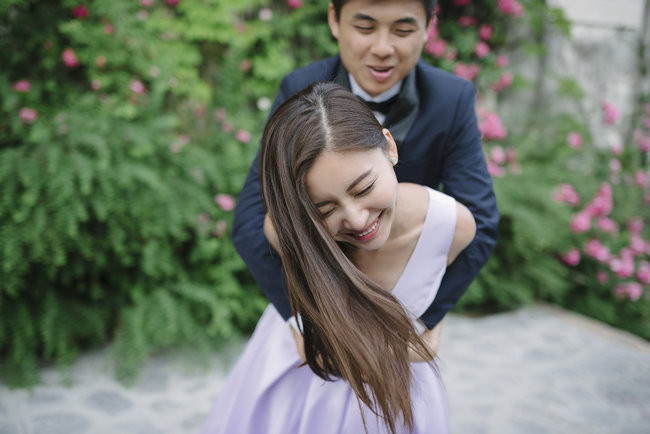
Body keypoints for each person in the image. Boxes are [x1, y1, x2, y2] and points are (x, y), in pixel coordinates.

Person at [202, 82, 476, 433]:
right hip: (299, 388)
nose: (358, 220)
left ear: (389, 146)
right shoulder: (287, 233)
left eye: (363, 188)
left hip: (396, 403)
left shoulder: (451, 228)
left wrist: (427, 338)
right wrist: (412, 348)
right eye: (324, 209)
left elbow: (432, 315)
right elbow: (313, 351)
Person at [232, 0, 499, 342]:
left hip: (403, 304)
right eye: (365, 28)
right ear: (334, 19)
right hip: (317, 302)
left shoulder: (452, 98)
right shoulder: (299, 89)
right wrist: (305, 322)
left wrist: (422, 320)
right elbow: (251, 221)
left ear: (429, 25)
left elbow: (482, 222)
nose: (382, 48)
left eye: (402, 30)